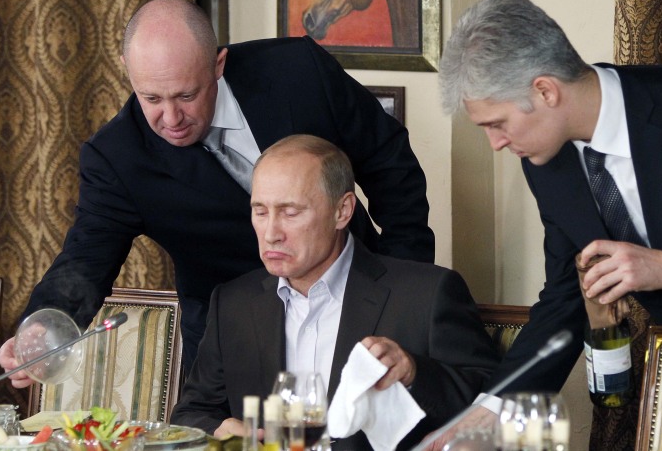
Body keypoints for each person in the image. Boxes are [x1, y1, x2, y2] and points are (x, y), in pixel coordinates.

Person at [0, 0, 435, 384]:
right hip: (232, 346)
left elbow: (391, 165)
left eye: (187, 95)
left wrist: (402, 287)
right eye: (151, 98)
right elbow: (84, 262)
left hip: (357, 308)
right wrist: (41, 328)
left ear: (218, 65)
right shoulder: (117, 158)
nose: (171, 118)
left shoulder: (297, 71)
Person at [434, 0, 662, 447]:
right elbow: (566, 297)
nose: (495, 143)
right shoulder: (544, 161)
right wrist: (490, 411)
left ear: (545, 90)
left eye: (497, 123)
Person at [170, 134, 499, 450]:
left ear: (342, 211)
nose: (271, 233)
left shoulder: (426, 294)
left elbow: (491, 400)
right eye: (260, 211)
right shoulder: (234, 303)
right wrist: (220, 429)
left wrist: (414, 372)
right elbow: (192, 412)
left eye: (290, 212)